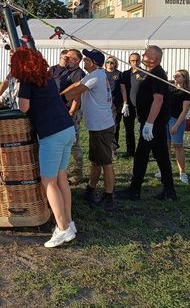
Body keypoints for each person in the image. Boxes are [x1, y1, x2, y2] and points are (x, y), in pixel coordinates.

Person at [12, 48, 76, 248]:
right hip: (67, 129)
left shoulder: (26, 82)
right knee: (61, 179)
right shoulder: (47, 79)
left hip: (51, 134)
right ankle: (69, 222)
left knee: (48, 183)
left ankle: (62, 228)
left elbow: (23, 107)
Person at [117, 46, 177, 201]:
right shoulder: (151, 73)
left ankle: (134, 190)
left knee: (141, 155)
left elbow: (158, 100)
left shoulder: (157, 73)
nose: (143, 56)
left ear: (153, 59)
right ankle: (169, 190)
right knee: (162, 155)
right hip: (154, 122)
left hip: (154, 123)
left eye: (146, 54)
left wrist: (149, 124)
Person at [61, 49, 116, 211]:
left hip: (101, 127)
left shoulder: (97, 76)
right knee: (96, 161)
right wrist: (58, 95)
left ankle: (109, 196)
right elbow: (76, 84)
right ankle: (91, 190)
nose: (83, 62)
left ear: (92, 63)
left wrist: (58, 100)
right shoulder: (94, 75)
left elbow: (77, 90)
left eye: (85, 60)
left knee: (106, 163)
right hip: (97, 126)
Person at [156, 70, 190, 184]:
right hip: (165, 119)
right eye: (174, 75)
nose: (175, 77)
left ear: (184, 78)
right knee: (165, 146)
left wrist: (176, 125)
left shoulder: (186, 92)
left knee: (178, 147)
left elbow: (185, 110)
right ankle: (164, 170)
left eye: (178, 76)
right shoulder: (170, 88)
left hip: (177, 120)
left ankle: (182, 172)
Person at [57, 49, 86, 184]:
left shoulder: (79, 73)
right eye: (65, 57)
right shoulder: (63, 70)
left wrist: (72, 112)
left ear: (77, 60)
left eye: (69, 57)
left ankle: (77, 173)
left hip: (70, 111)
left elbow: (77, 94)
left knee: (74, 142)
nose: (66, 59)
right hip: (59, 110)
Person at [120, 52, 142, 158]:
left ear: (140, 61)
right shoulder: (125, 74)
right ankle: (130, 151)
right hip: (128, 106)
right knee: (129, 129)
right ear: (129, 61)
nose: (135, 62)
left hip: (142, 106)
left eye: (137, 60)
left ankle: (143, 150)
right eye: (133, 60)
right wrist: (125, 103)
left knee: (143, 129)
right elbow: (122, 89)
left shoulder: (145, 74)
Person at [105, 55, 124, 158]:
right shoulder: (102, 73)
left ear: (115, 63)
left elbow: (123, 89)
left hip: (116, 104)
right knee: (104, 126)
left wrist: (125, 102)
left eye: (112, 62)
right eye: (108, 62)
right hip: (103, 103)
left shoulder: (119, 74)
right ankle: (105, 147)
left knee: (115, 126)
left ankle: (113, 149)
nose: (109, 64)